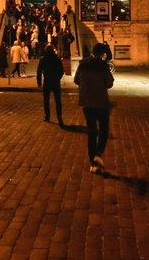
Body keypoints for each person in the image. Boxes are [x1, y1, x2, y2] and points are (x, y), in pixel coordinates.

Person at [74, 42, 114, 173]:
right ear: (102, 53)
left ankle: (93, 163)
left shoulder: (83, 64)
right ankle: (98, 154)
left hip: (87, 102)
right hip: (101, 102)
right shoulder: (103, 65)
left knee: (92, 132)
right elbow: (109, 84)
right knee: (104, 130)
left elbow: (76, 80)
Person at [37, 45, 65, 127]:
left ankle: (47, 116)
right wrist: (58, 78)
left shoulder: (43, 59)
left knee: (46, 100)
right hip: (55, 81)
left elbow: (39, 72)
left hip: (47, 81)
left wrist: (39, 82)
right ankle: (59, 117)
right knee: (58, 100)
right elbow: (61, 70)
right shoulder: (56, 59)